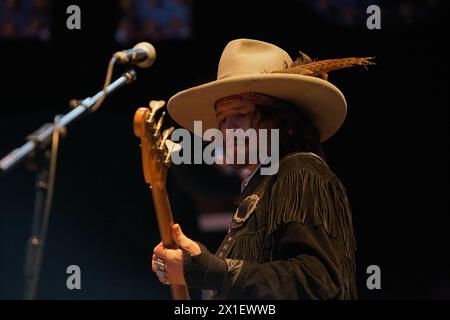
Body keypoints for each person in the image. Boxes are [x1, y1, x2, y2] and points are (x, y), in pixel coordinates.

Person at [151, 39, 373, 299]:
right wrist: (199, 266)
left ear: (283, 121)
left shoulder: (299, 169)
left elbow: (319, 283)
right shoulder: (263, 183)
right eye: (222, 120)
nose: (226, 129)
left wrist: (212, 271)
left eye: (241, 114)